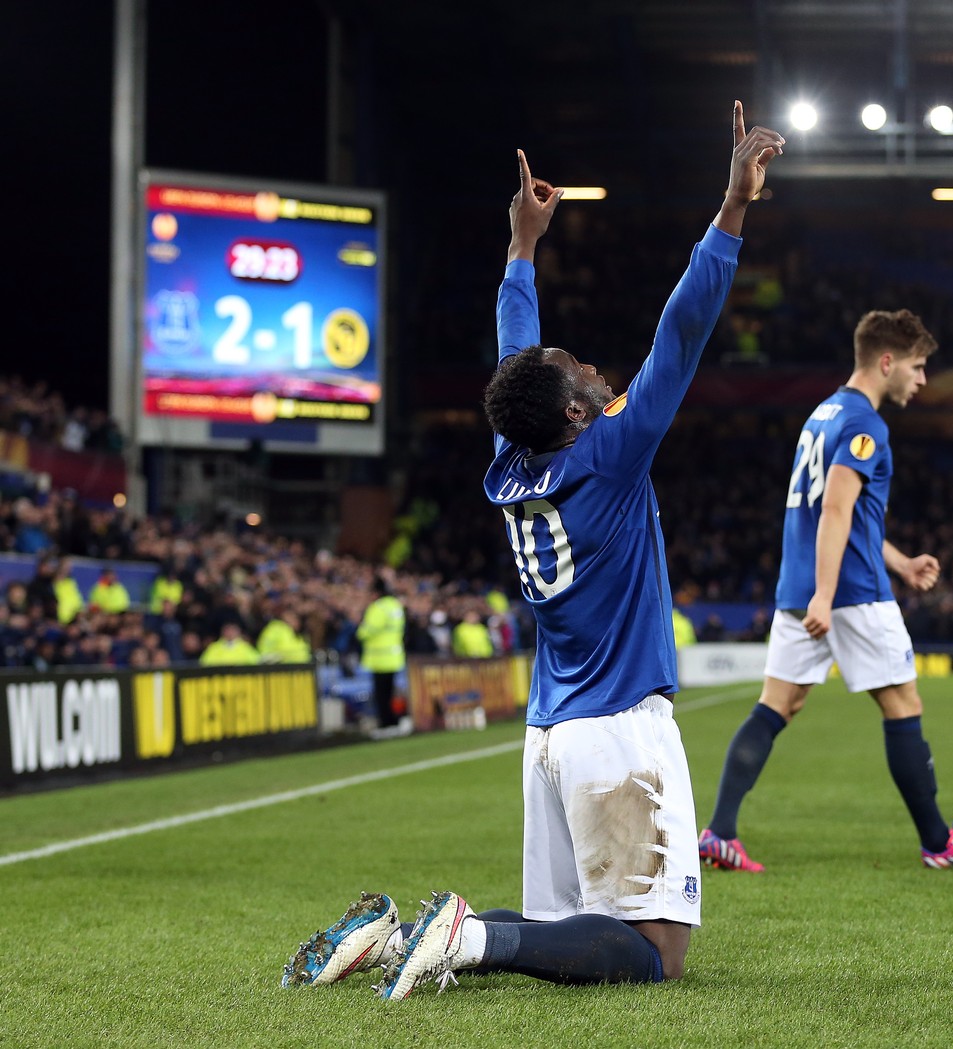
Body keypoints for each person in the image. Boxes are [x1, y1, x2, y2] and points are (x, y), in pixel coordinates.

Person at [283, 102, 783, 998]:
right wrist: (733, 208)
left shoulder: (514, 459)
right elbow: (682, 330)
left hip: (548, 732)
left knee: (567, 931)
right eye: (580, 369)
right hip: (620, 725)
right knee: (657, 954)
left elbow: (518, 357)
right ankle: (466, 940)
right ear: (578, 413)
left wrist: (522, 250)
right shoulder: (612, 454)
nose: (587, 365)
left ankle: (404, 936)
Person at [699, 309, 953, 873]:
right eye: (916, 368)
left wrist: (900, 562)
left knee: (778, 705)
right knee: (903, 703)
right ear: (885, 362)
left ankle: (719, 832)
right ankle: (939, 841)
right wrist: (828, 593)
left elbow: (846, 515)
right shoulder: (866, 423)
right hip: (848, 593)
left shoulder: (823, 414)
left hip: (801, 587)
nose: (920, 379)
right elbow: (835, 510)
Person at [355, 574, 406, 732]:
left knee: (381, 694)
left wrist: (359, 629)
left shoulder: (377, 608)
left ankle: (386, 722)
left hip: (379, 657)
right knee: (391, 691)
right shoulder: (395, 606)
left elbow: (366, 631)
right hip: (394, 655)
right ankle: (394, 720)